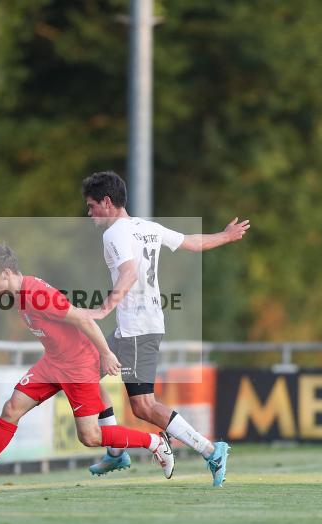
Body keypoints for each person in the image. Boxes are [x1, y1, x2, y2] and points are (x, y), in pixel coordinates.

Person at [0, 244, 175, 490]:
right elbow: (72, 314)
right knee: (11, 409)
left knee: (90, 436)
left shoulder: (36, 295)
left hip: (77, 366)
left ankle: (156, 443)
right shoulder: (21, 293)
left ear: (6, 273)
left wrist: (106, 354)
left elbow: (82, 319)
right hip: (53, 362)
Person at [81, 170, 250, 487]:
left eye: (91, 206)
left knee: (144, 406)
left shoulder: (114, 233)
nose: (89, 214)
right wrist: (225, 236)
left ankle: (211, 450)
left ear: (106, 202)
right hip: (136, 328)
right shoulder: (146, 227)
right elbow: (192, 243)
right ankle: (117, 449)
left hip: (136, 330)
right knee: (84, 373)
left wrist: (104, 308)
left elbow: (129, 273)